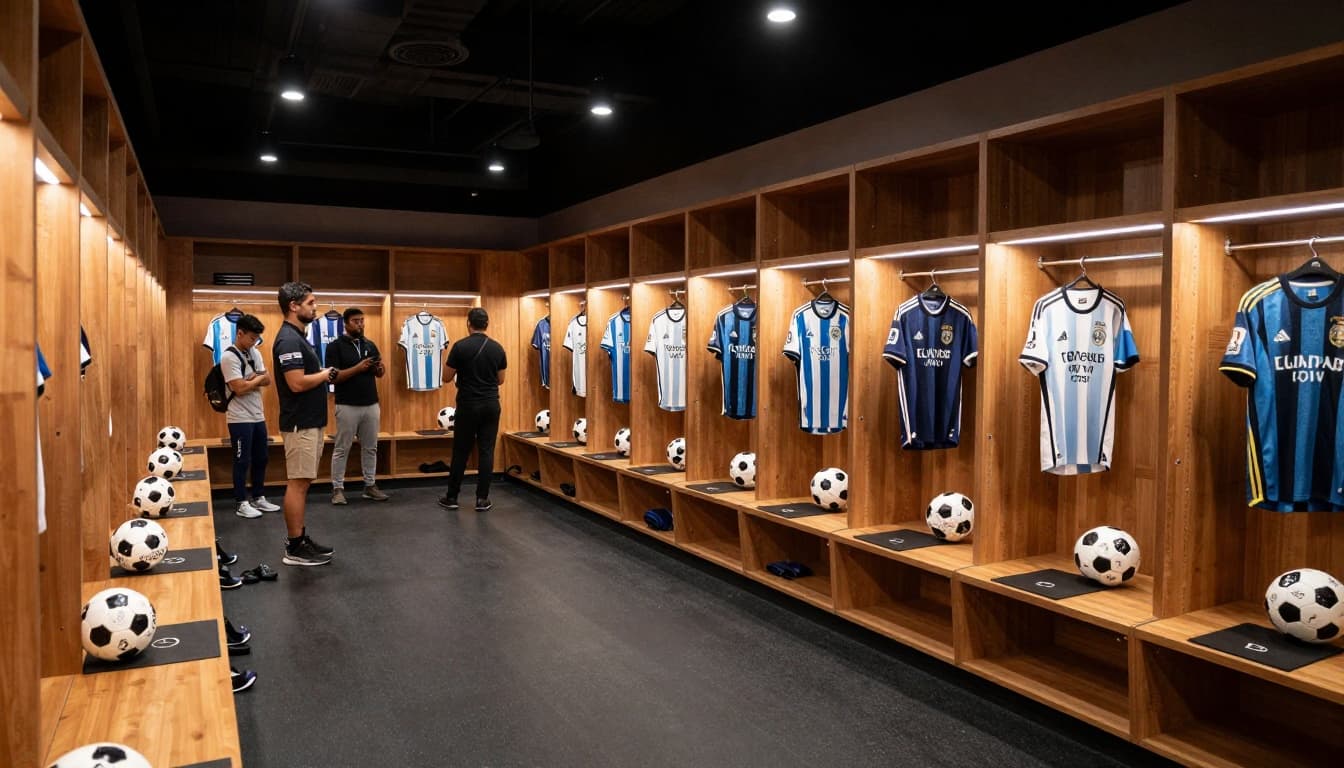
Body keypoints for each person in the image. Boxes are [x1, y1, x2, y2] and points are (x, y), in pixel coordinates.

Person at [272, 281, 339, 566]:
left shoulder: (299, 337)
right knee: (297, 483)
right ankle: (295, 547)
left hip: (310, 421)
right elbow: (296, 383)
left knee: (304, 481)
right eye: (311, 303)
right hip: (300, 423)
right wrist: (324, 374)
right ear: (293, 306)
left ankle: (299, 537)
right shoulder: (288, 339)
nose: (316, 308)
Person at [438, 307, 507, 512]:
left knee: (461, 451)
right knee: (486, 451)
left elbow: (446, 377)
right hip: (491, 405)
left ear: (469, 324)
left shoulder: (460, 347)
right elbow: (500, 380)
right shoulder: (497, 348)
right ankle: (482, 499)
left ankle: (452, 497)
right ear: (487, 324)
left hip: (468, 405)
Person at [325, 307, 388, 504]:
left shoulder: (369, 344)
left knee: (371, 447)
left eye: (362, 320)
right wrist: (358, 368)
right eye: (355, 321)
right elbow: (333, 378)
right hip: (347, 405)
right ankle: (337, 489)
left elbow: (379, 373)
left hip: (371, 404)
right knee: (342, 448)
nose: (360, 324)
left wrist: (379, 369)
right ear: (345, 323)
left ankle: (370, 485)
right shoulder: (334, 347)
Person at [221, 314, 281, 519]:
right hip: (239, 418)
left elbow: (268, 380)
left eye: (257, 339)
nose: (254, 342)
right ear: (240, 333)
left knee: (261, 458)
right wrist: (256, 378)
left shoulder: (255, 352)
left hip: (258, 415)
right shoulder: (229, 357)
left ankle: (259, 497)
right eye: (252, 338)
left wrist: (252, 380)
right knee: (241, 460)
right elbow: (238, 388)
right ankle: (241, 502)